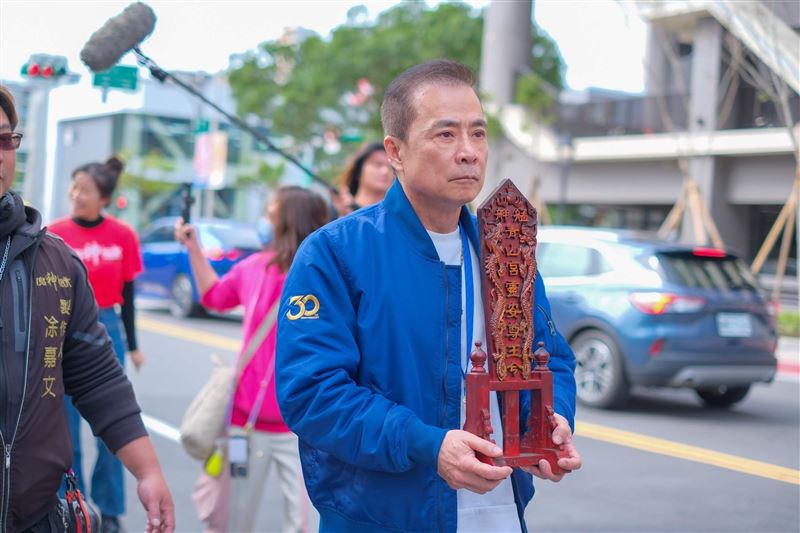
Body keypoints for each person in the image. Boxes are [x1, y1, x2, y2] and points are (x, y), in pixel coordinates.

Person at [275, 60, 582, 532]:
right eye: (445, 135)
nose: (469, 152)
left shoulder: (506, 249)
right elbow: (312, 392)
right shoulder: (336, 254)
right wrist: (428, 445)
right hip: (380, 517)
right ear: (395, 151)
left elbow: (552, 357)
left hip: (499, 514)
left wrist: (550, 420)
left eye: (478, 134)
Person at [0, 87, 173, 532]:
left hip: (33, 513)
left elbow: (96, 375)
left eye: (4, 140)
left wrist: (149, 471)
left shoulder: (55, 257)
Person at [175, 186, 327, 533]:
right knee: (235, 516)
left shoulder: (320, 274)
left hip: (302, 427)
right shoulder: (253, 268)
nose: (263, 221)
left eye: (269, 212)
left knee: (304, 522)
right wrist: (194, 248)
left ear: (289, 220)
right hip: (247, 425)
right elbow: (215, 297)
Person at [48, 155, 146, 533]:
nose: (76, 195)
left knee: (111, 429)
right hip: (60, 323)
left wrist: (134, 345)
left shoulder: (123, 236)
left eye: (85, 190)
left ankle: (109, 508)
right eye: (74, 187)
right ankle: (72, 503)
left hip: (107, 326)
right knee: (64, 426)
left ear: (104, 197)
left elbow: (129, 293)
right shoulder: (55, 233)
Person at [331, 142, 393, 217]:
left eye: (392, 167)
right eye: (378, 164)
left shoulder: (399, 216)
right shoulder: (336, 210)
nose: (385, 171)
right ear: (358, 170)